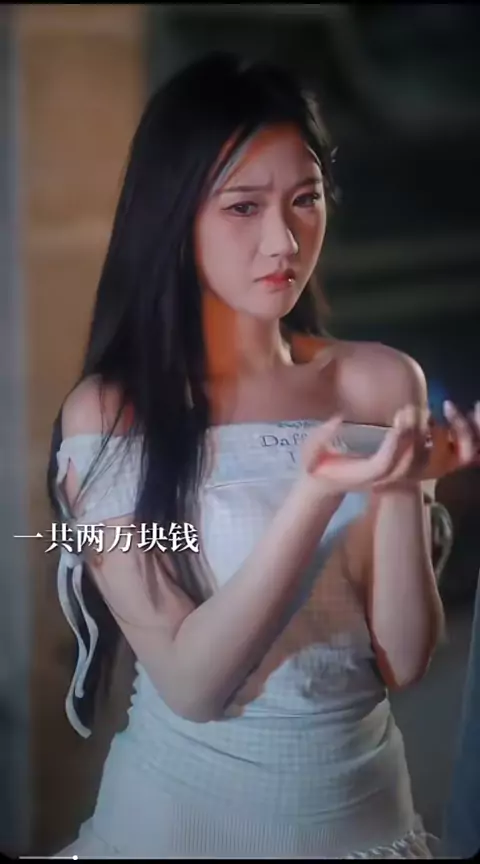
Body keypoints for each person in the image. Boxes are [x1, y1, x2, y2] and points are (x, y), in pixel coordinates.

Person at [46, 52, 480, 858]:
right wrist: (315, 493)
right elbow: (192, 683)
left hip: (370, 824)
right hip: (178, 831)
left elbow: (402, 660)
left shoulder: (382, 380)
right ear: (175, 217)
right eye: (244, 207)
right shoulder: (111, 414)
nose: (284, 240)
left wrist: (400, 486)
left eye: (305, 199)